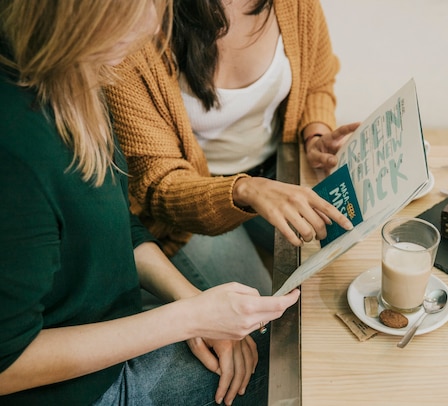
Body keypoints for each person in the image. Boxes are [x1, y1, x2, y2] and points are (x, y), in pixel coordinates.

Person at [0, 1, 299, 405]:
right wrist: (186, 318)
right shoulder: (17, 151)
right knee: (285, 361)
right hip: (78, 389)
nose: (149, 27)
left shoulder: (77, 77)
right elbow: (8, 364)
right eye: (130, 10)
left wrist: (190, 299)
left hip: (113, 321)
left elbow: (117, 223)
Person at [105, 0, 357, 297]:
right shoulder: (139, 25)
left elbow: (317, 80)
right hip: (190, 210)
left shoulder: (295, 6)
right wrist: (245, 190)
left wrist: (317, 133)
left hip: (279, 171)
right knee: (263, 316)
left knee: (345, 272)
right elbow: (158, 185)